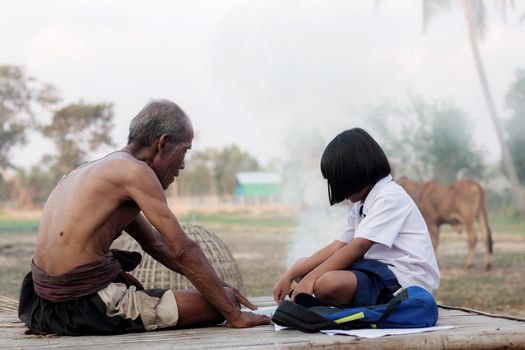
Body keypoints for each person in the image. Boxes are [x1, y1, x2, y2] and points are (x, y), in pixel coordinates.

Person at [18, 99, 270, 335]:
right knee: (213, 307)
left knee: (218, 296)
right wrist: (232, 314)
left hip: (41, 305)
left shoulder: (93, 170)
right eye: (184, 151)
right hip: (85, 306)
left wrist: (220, 288)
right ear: (162, 143)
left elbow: (157, 245)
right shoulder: (135, 172)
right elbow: (182, 248)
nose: (182, 165)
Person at [273, 128, 440, 307]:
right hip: (376, 271)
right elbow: (336, 246)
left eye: (337, 181)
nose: (336, 189)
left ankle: (343, 299)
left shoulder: (389, 196)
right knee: (302, 267)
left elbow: (358, 246)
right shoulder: (361, 204)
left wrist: (312, 279)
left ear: (354, 174)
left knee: (326, 283)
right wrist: (289, 275)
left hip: (404, 279)